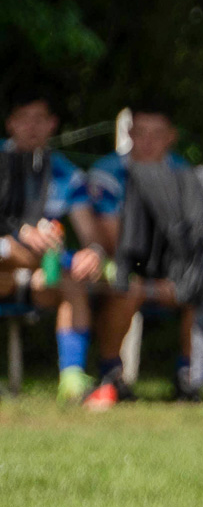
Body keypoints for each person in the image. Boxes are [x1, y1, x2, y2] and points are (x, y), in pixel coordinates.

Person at [82, 103, 196, 408]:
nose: (147, 142)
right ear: (129, 132)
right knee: (127, 284)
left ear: (171, 137)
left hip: (171, 270)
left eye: (157, 134)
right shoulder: (106, 173)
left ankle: (189, 375)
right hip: (118, 265)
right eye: (140, 133)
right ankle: (110, 373)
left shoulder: (184, 174)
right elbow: (114, 240)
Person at [0, 89, 104, 401]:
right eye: (24, 119)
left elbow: (91, 235)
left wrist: (94, 252)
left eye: (40, 119)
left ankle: (72, 381)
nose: (31, 127)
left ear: (52, 124)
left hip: (41, 273)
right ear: (10, 124)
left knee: (73, 278)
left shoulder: (66, 173)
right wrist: (20, 233)